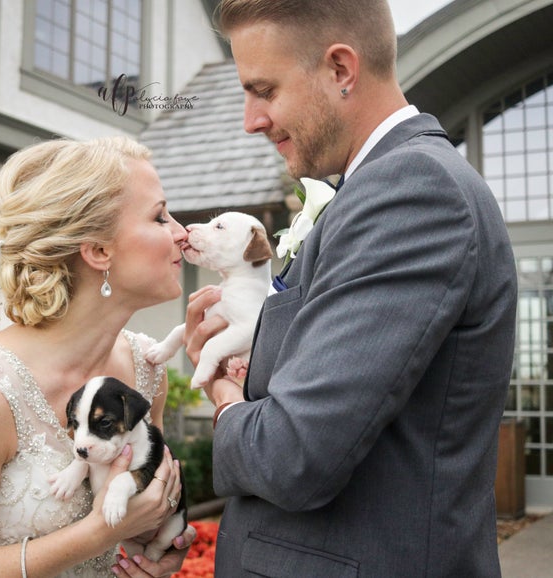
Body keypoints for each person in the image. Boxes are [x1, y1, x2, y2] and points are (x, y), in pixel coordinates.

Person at [184, 1, 518, 576]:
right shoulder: (375, 189)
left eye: (263, 90)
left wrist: (222, 400)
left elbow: (292, 454)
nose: (250, 119)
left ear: (341, 69)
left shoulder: (414, 191)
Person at [0, 136, 196, 578]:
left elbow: (137, 502)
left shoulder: (145, 372)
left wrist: (149, 551)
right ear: (99, 251)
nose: (181, 232)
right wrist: (95, 534)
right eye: (159, 216)